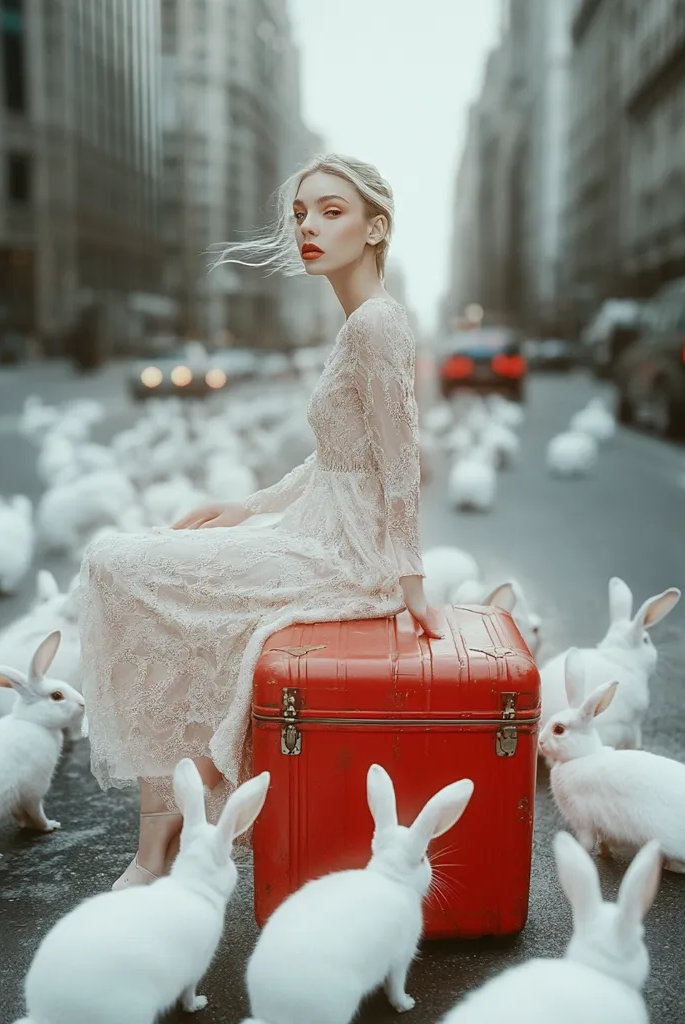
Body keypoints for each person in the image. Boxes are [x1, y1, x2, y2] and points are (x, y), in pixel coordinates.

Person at [78, 153, 444, 890]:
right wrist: (244, 508)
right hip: (316, 529)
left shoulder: (376, 325)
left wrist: (409, 582)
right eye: (301, 213)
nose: (308, 226)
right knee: (138, 567)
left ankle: (156, 851)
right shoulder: (362, 324)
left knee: (121, 566)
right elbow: (337, 461)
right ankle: (159, 845)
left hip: (345, 557)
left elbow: (401, 465)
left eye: (331, 211)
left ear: (376, 228)